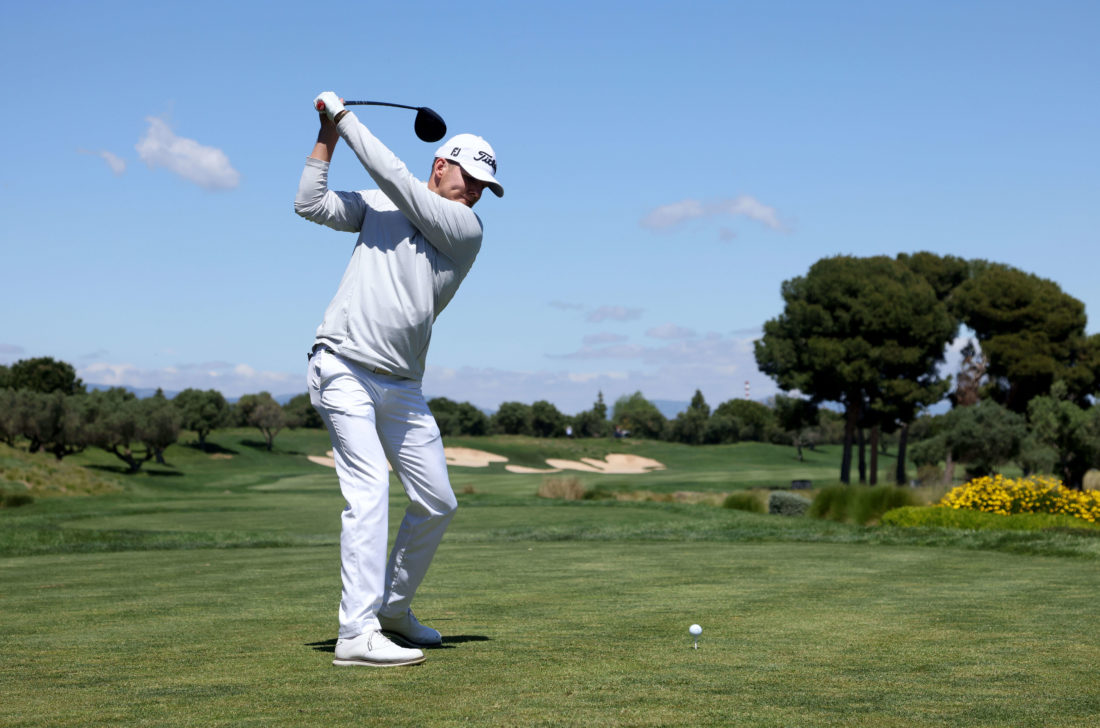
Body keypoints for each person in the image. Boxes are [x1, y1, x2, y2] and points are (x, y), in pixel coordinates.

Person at [295, 92, 502, 667]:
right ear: (443, 164)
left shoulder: (465, 228)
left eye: (486, 186)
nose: (478, 192)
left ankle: (391, 610)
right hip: (341, 364)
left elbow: (395, 177)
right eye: (472, 178)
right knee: (367, 495)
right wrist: (328, 136)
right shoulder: (381, 204)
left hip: (402, 385)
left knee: (437, 501)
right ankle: (355, 634)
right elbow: (308, 203)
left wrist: (345, 116)